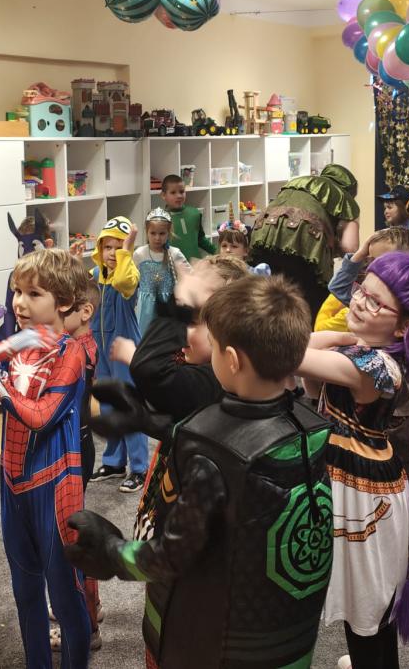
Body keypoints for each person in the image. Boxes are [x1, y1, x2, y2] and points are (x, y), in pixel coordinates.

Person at [64, 276, 333, 669]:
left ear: (231, 359)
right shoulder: (308, 425)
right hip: (288, 637)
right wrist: (148, 421)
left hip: (215, 646)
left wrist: (112, 552)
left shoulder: (212, 454)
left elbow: (169, 556)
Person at [297, 253, 409, 668]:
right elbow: (309, 364)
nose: (360, 302)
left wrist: (338, 338)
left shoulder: (379, 365)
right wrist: (344, 336)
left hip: (364, 497)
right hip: (354, 484)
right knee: (367, 609)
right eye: (362, 290)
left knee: (366, 609)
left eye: (376, 302)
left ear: (402, 327)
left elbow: (289, 354)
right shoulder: (363, 352)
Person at [0, 248, 92, 669]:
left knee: (66, 596)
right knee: (25, 592)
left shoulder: (71, 352)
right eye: (16, 292)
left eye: (33, 293)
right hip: (14, 485)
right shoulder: (18, 346)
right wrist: (10, 345)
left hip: (57, 486)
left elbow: (41, 417)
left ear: (64, 302)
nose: (20, 303)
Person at [104, 253, 250, 541]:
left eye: (193, 321)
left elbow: (151, 368)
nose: (183, 333)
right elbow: (179, 425)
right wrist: (142, 418)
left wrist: (179, 305)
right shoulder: (209, 372)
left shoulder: (216, 380)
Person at [53, 271, 103, 654]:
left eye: (62, 307)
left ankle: (86, 623)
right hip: (79, 443)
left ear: (84, 312)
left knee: (70, 537)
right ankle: (90, 607)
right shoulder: (79, 342)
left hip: (75, 448)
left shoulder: (77, 349)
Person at [80, 217, 148, 493]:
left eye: (117, 247)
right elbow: (76, 291)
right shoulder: (95, 276)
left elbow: (121, 278)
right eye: (107, 247)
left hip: (124, 351)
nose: (112, 253)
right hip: (102, 352)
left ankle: (139, 468)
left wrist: (126, 251)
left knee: (129, 407)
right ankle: (114, 462)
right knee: (108, 406)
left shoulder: (129, 275)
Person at [250, 163, 361, 314]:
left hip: (264, 234)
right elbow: (350, 247)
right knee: (309, 298)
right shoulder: (345, 199)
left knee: (269, 295)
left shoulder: (299, 181)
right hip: (304, 243)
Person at [314, 227, 409, 333]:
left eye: (379, 261)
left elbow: (338, 288)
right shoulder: (367, 292)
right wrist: (360, 253)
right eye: (371, 260)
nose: (371, 266)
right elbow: (337, 288)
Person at [133, 207, 190, 335]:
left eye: (162, 233)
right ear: (146, 232)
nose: (157, 238)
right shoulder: (140, 254)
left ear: (169, 233)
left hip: (167, 306)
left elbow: (189, 277)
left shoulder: (174, 254)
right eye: (153, 233)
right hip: (145, 308)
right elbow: (131, 278)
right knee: (146, 337)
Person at [159, 175, 216, 258]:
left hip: (195, 264)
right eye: (173, 192)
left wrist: (217, 252)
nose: (179, 196)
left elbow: (200, 239)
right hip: (172, 264)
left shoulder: (195, 213)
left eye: (182, 192)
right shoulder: (160, 219)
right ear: (163, 195)